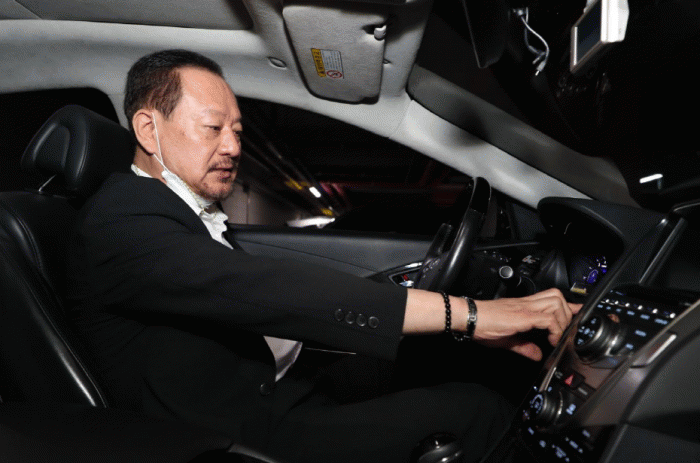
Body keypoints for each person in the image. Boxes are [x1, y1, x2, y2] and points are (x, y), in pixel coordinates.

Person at [67, 49, 580, 463]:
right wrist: (469, 315)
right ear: (148, 129)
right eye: (213, 127)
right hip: (240, 433)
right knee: (478, 412)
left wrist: (460, 332)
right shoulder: (120, 220)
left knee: (452, 363)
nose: (233, 147)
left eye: (238, 132)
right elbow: (264, 290)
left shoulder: (176, 211)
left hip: (281, 385)